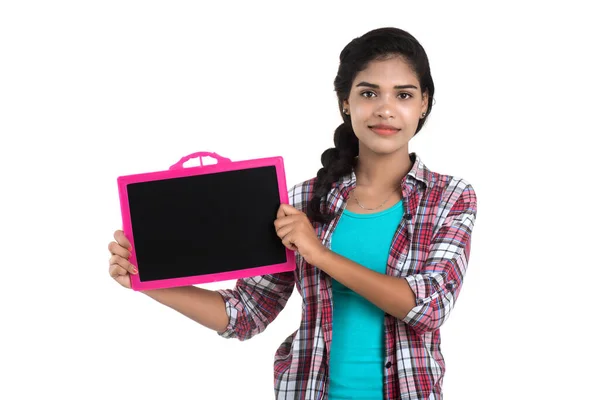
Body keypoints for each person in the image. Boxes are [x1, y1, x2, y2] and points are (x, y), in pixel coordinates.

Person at [108, 27, 478, 400]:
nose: (385, 109)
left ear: (424, 103)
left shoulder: (450, 198)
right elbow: (246, 312)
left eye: (403, 95)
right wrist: (149, 280)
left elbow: (430, 306)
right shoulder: (301, 202)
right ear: (345, 102)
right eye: (368, 93)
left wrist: (319, 254)